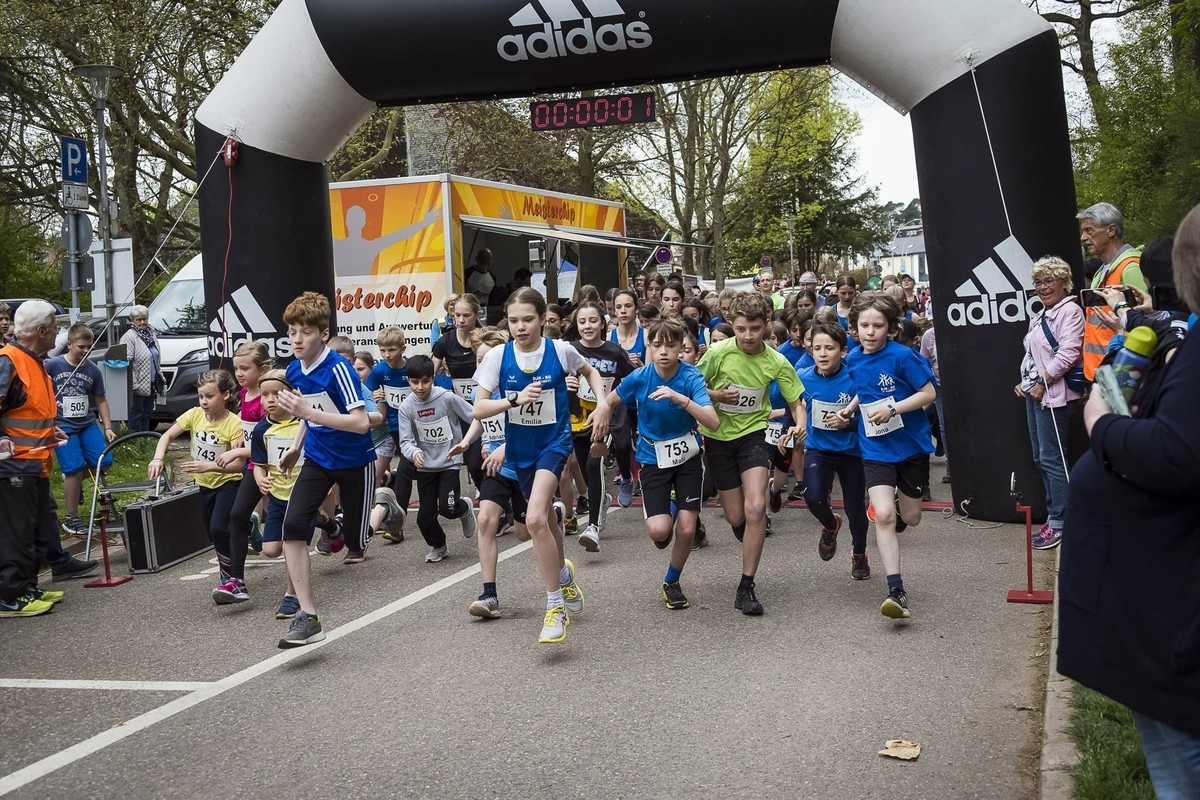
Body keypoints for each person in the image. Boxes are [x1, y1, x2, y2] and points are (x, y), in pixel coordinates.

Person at [1057, 204, 1200, 799]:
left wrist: (1102, 423)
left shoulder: (1132, 273)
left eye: (1091, 228)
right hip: (1163, 607)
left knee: (1181, 771)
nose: (1085, 236)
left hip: (1171, 624)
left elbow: (1178, 452)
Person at [472, 287, 610, 644]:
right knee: (545, 517)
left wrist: (603, 404)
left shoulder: (560, 350)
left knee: (533, 518)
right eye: (514, 320)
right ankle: (563, 575)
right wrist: (512, 400)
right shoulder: (498, 357)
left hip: (554, 444)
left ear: (541, 319)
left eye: (528, 319)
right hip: (519, 451)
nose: (521, 327)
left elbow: (591, 372)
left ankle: (554, 606)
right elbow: (478, 408)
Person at [273, 292, 376, 647]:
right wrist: (297, 446)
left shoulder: (339, 369)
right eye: (291, 332)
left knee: (357, 541)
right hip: (317, 457)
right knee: (292, 525)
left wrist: (309, 414)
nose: (296, 339)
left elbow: (361, 423)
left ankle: (384, 510)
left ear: (323, 333)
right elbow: (306, 413)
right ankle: (308, 614)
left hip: (355, 460)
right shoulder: (292, 370)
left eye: (305, 332)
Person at [697, 292, 806, 616]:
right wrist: (717, 395)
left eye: (755, 329)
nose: (748, 336)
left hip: (754, 436)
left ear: (766, 326)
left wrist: (800, 425)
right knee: (735, 517)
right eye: (741, 328)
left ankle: (746, 586)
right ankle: (747, 535)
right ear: (732, 324)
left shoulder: (776, 361)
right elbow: (691, 386)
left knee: (756, 507)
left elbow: (795, 402)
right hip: (717, 438)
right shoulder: (717, 353)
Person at [605, 318, 718, 608]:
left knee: (687, 529)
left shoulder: (691, 377)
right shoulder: (640, 376)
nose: (664, 351)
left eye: (671, 345)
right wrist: (599, 417)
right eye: (657, 345)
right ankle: (667, 506)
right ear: (649, 346)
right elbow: (611, 400)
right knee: (658, 532)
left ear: (682, 347)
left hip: (688, 458)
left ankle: (672, 581)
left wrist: (682, 399)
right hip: (652, 459)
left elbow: (713, 422)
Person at [838, 294, 936, 620]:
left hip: (910, 447)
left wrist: (893, 407)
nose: (870, 331)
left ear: (890, 329)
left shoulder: (904, 357)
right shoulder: (852, 359)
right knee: (882, 517)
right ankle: (897, 590)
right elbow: (861, 392)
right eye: (864, 325)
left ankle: (897, 505)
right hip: (875, 447)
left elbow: (929, 393)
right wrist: (849, 410)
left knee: (911, 518)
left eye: (877, 325)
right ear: (854, 328)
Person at [0, 301, 74, 617]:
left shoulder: (34, 361)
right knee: (18, 532)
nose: (58, 333)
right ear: (41, 331)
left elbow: (27, 412)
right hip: (14, 464)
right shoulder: (10, 361)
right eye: (55, 327)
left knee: (36, 528)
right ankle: (10, 595)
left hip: (35, 460)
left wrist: (49, 432)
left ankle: (27, 586)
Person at [147, 370, 246, 603]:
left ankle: (232, 577)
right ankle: (232, 562)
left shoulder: (234, 424)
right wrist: (158, 458)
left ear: (226, 395)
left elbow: (239, 466)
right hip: (205, 485)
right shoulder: (194, 415)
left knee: (218, 528)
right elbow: (166, 436)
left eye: (209, 396)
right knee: (213, 531)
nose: (203, 402)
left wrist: (209, 466)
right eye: (201, 396)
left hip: (228, 483)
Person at [1013, 256, 1084, 550]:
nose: (1042, 287)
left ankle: (1061, 522)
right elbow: (1034, 354)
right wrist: (1026, 382)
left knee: (1053, 458)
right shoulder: (1042, 314)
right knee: (1042, 457)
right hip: (1036, 393)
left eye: (1048, 281)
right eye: (1038, 282)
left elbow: (1069, 352)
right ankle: (1056, 517)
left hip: (1054, 396)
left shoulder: (1071, 311)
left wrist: (1043, 382)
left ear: (1063, 282)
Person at [799, 321, 870, 578]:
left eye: (829, 348)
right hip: (819, 449)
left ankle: (859, 554)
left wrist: (848, 422)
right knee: (813, 497)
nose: (822, 353)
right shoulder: (803, 378)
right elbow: (794, 409)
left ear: (843, 351)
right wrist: (791, 428)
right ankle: (830, 525)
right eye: (817, 348)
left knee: (855, 510)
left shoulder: (854, 377)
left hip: (851, 452)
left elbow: (869, 415)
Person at [564, 301, 633, 552]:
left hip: (608, 417)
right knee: (587, 469)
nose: (587, 326)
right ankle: (599, 497)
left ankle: (593, 527)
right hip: (578, 419)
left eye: (593, 321)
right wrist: (565, 383)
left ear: (603, 324)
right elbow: (552, 380)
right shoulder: (569, 350)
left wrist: (613, 398)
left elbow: (631, 378)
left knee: (596, 462)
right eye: (582, 322)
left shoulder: (614, 352)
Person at [396, 355, 478, 563]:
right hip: (426, 467)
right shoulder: (406, 407)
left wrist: (468, 442)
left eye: (425, 381)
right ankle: (438, 545)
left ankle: (464, 507)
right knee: (424, 517)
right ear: (408, 381)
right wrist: (414, 453)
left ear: (433, 378)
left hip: (449, 463)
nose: (420, 387)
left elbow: (475, 416)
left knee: (448, 508)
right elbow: (405, 441)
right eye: (415, 382)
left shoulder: (447, 398)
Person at [46, 322, 117, 535]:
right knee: (75, 469)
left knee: (104, 461)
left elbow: (101, 399)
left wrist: (107, 427)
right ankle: (72, 518)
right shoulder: (53, 366)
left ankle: (72, 480)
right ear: (69, 345)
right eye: (81, 347)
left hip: (86, 423)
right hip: (62, 425)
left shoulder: (93, 370)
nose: (86, 351)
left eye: (89, 346)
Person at [1077, 202, 1149, 380]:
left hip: (1121, 370)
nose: (1083, 237)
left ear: (1111, 230)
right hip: (1100, 370)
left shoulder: (1131, 267)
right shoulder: (1102, 270)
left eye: (1089, 230)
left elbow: (1146, 323)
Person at [431, 294, 485, 492]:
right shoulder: (445, 342)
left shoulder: (484, 339)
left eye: (466, 316)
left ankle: (498, 499)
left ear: (477, 314)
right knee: (472, 463)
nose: (461, 320)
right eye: (457, 315)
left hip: (488, 406)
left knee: (488, 457)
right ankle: (485, 491)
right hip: (463, 410)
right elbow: (429, 374)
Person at [367, 326, 412, 542]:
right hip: (393, 427)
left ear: (403, 348)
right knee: (405, 469)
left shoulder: (411, 368)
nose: (387, 355)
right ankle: (395, 520)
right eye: (382, 350)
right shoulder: (378, 371)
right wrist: (377, 397)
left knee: (412, 469)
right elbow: (370, 397)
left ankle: (391, 479)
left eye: (392, 350)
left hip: (415, 426)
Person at [120, 305, 164, 432]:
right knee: (136, 414)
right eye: (139, 319)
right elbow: (127, 362)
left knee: (147, 413)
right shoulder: (129, 337)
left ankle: (145, 440)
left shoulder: (151, 335)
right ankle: (135, 441)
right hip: (137, 384)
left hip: (151, 382)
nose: (142, 322)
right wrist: (133, 384)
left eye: (144, 319)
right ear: (133, 321)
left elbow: (155, 358)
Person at [464, 247, 496, 315]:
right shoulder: (468, 273)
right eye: (484, 257)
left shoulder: (492, 277)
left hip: (483, 311)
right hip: (467, 310)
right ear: (477, 258)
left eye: (489, 258)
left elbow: (492, 297)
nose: (486, 260)